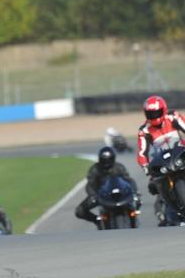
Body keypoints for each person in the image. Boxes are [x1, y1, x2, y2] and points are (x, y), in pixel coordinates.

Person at [136, 95, 185, 223]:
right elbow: (142, 152)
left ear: (163, 110)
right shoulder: (144, 130)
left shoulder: (173, 117)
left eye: (156, 113)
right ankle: (165, 213)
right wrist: (145, 166)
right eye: (150, 114)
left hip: (181, 154)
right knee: (153, 186)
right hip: (162, 161)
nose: (154, 116)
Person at [75, 146, 140, 229]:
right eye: (104, 159)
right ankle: (97, 221)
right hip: (101, 195)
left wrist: (134, 191)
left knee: (137, 200)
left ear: (113, 158)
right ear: (100, 159)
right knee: (79, 211)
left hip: (119, 194)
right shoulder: (95, 169)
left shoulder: (119, 167)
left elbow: (128, 180)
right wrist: (93, 195)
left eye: (109, 159)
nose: (107, 162)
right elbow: (90, 184)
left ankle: (133, 218)